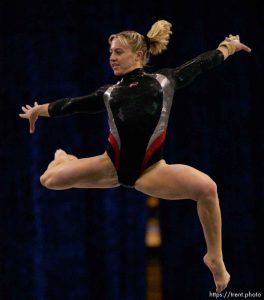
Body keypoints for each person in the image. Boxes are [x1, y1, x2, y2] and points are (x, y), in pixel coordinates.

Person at [19, 20, 251, 293]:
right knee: (48, 179)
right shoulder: (109, 92)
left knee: (207, 188)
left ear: (138, 55)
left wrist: (228, 47)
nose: (112, 58)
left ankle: (215, 258)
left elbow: (201, 64)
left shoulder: (164, 81)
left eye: (118, 52)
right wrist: (39, 111)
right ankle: (64, 159)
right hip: (111, 165)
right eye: (110, 53)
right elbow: (72, 105)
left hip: (151, 170)